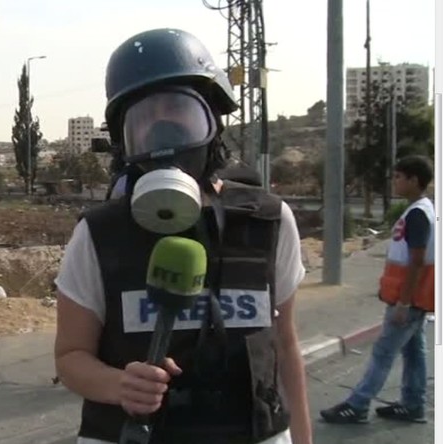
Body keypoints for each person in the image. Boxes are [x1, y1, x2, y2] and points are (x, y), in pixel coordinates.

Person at [53, 28, 312, 444]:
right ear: (123, 142)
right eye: (143, 118)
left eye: (178, 108)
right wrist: (118, 385)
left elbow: (285, 346)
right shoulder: (98, 235)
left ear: (212, 122)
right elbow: (69, 357)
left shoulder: (268, 221)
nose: (162, 127)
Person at [320, 154, 435, 424]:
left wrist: (404, 303)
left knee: (383, 352)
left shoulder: (418, 213)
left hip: (408, 299)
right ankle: (412, 404)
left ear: (413, 180)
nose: (394, 181)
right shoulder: (422, 209)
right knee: (414, 352)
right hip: (414, 297)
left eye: (398, 177)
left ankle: (357, 405)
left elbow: (416, 260)